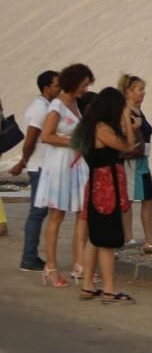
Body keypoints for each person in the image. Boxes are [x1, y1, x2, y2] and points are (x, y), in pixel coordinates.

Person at [72, 87, 136, 303]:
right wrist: (126, 119)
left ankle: (88, 286)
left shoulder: (93, 126)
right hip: (106, 188)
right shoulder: (102, 129)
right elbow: (127, 145)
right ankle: (109, 290)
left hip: (98, 186)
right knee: (107, 240)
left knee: (95, 238)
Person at [34, 63, 94, 287]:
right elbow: (46, 136)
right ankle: (51, 266)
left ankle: (79, 263)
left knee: (81, 212)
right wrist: (73, 141)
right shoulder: (57, 106)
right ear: (75, 82)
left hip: (76, 164)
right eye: (84, 85)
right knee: (56, 216)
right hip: (59, 164)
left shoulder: (75, 104)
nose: (86, 90)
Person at [10, 70, 59, 271]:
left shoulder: (47, 106)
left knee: (40, 212)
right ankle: (29, 257)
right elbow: (30, 139)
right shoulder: (40, 109)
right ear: (47, 87)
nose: (60, 88)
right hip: (39, 166)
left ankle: (31, 256)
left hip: (43, 165)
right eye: (57, 85)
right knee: (37, 212)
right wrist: (23, 161)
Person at [118, 74, 152, 254]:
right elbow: (119, 133)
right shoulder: (124, 111)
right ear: (128, 91)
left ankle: (149, 241)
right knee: (128, 200)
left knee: (148, 199)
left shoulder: (138, 111)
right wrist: (134, 127)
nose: (143, 93)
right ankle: (127, 238)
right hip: (131, 161)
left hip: (141, 160)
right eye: (139, 90)